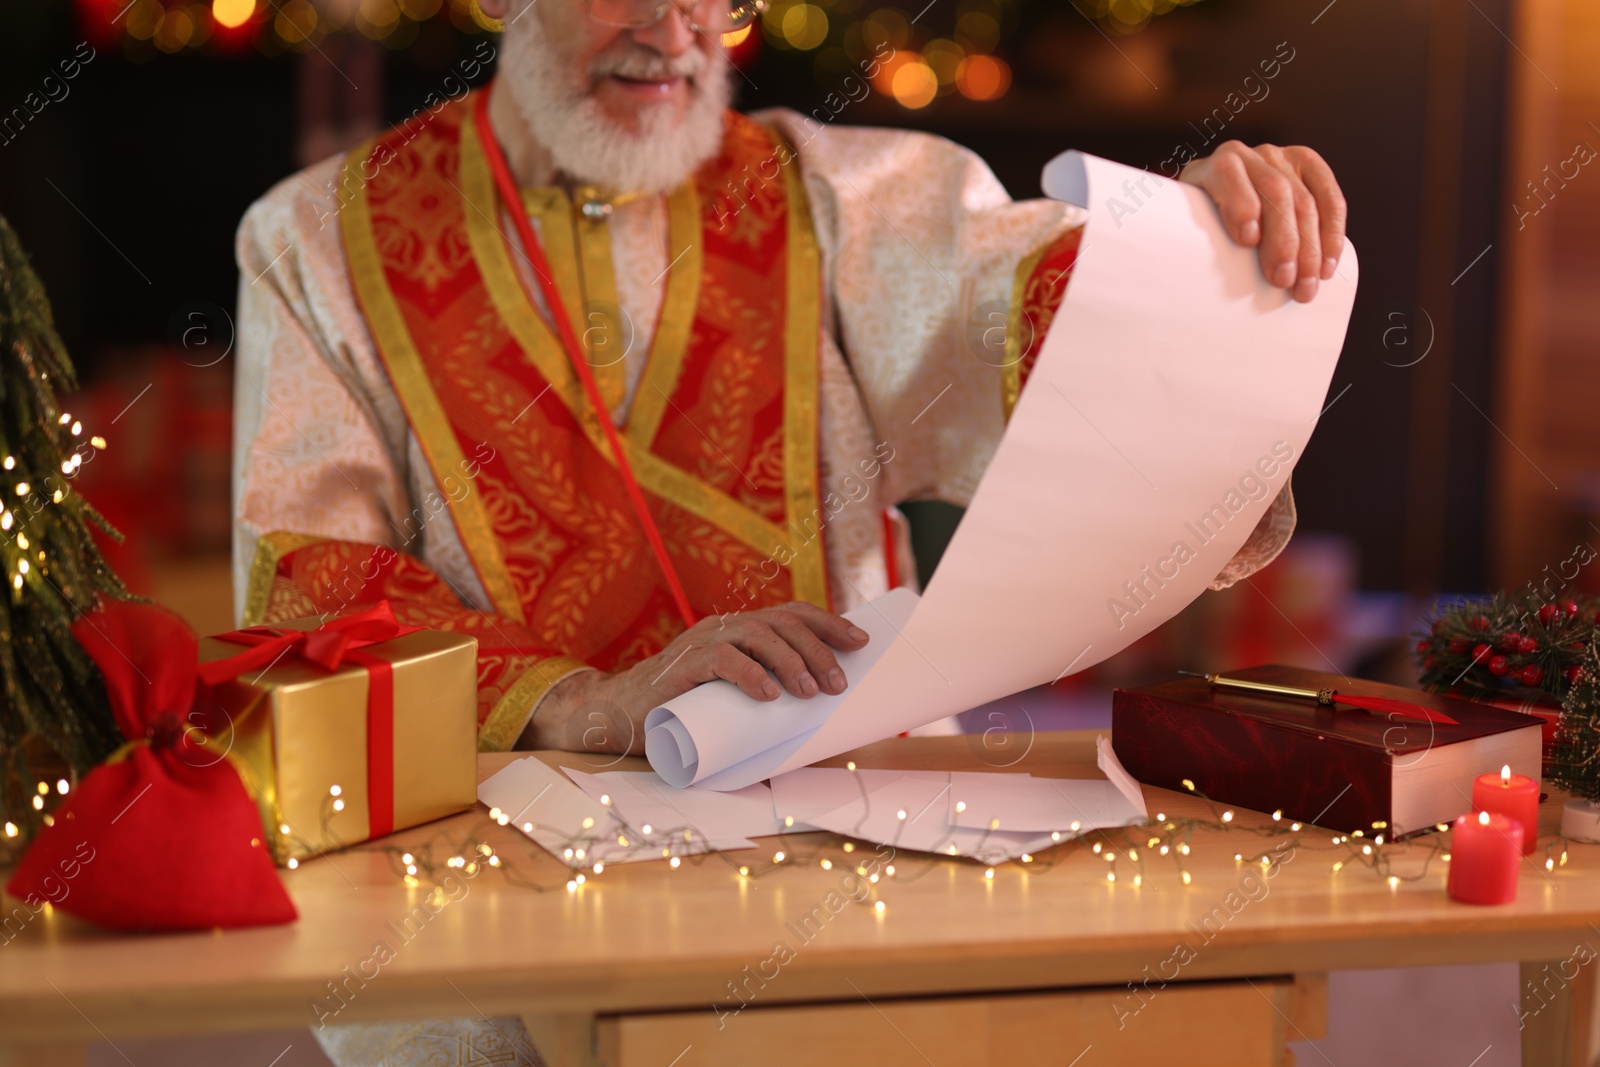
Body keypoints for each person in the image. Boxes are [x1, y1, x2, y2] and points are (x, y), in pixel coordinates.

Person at [234, 2, 1347, 1062]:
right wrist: (585, 699)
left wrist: (1191, 259)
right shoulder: (315, 241)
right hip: (514, 843)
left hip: (850, 819)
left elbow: (1050, 303)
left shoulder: (848, 198)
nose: (673, 32)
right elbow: (310, 599)